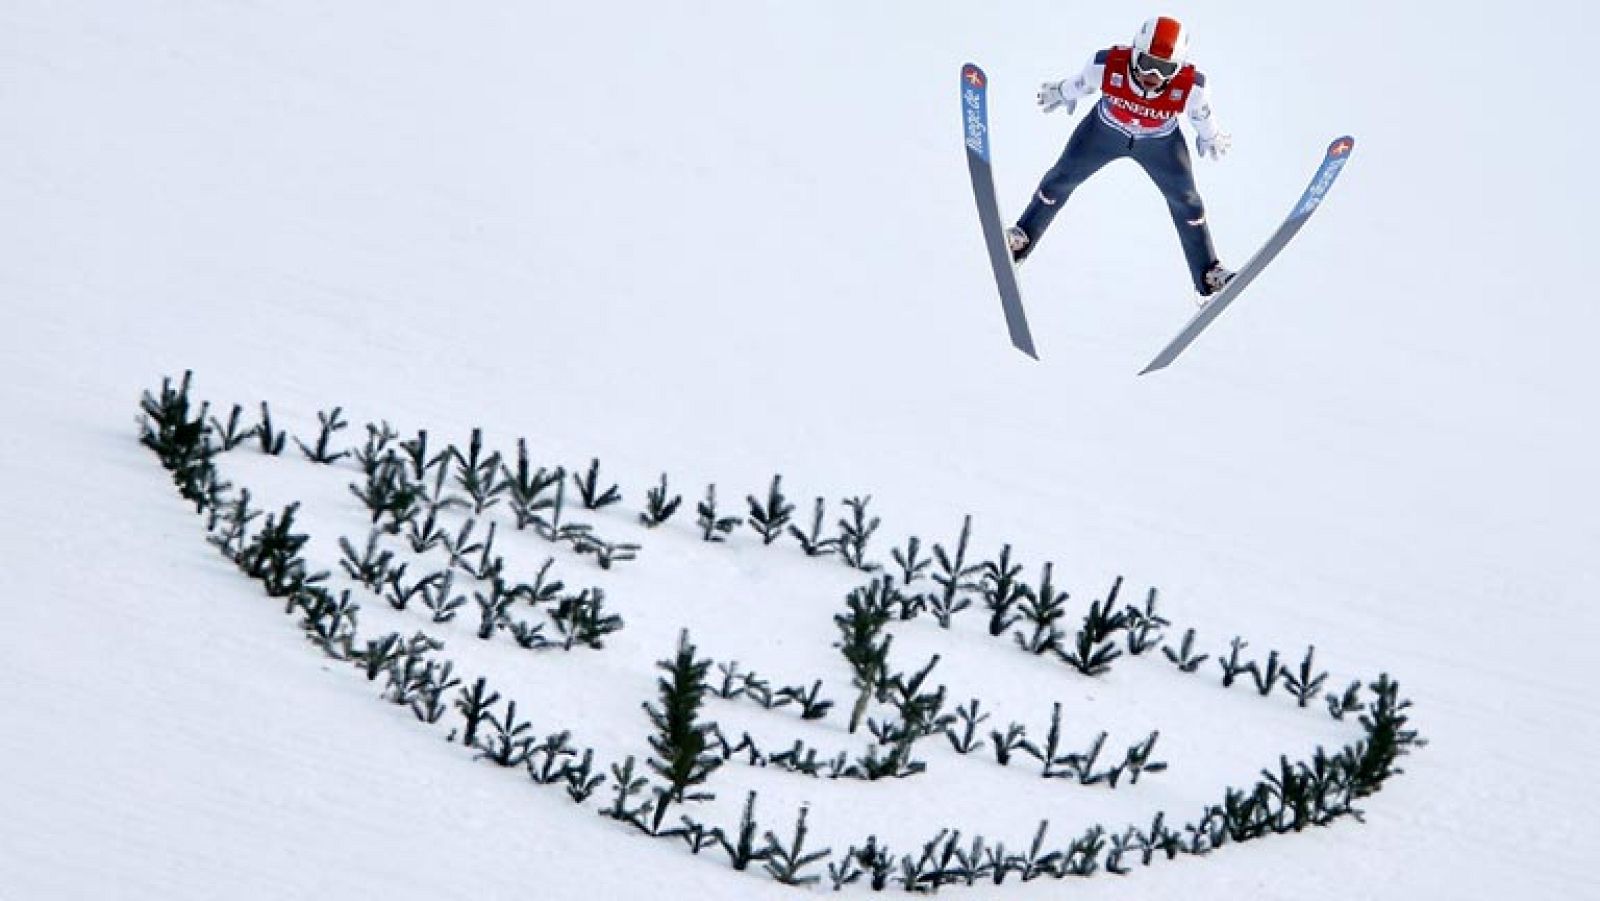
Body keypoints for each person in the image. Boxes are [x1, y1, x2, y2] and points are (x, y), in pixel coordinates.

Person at [1007, 16, 1235, 299]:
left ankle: (1208, 272)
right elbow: (1081, 84)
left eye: (1164, 68)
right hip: (1103, 133)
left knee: (1188, 203)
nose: (1153, 74)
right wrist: (1061, 92)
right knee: (1060, 178)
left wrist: (1211, 136)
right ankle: (1022, 237)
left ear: (1178, 68)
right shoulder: (1106, 65)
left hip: (1160, 145)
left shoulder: (1193, 87)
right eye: (1146, 62)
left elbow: (1201, 115)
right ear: (1133, 53)